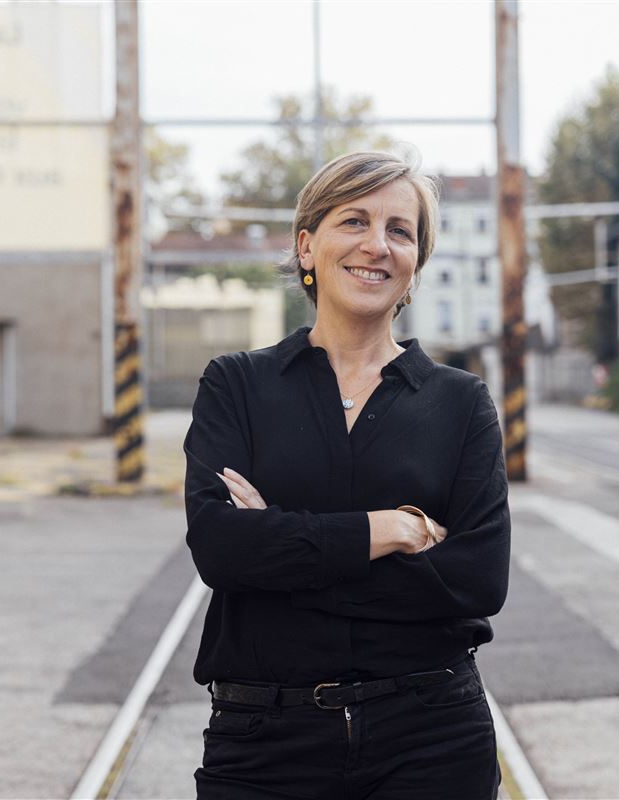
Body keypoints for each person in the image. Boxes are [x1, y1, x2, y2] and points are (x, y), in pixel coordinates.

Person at [183, 150, 511, 799]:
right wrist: (387, 531)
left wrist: (279, 548)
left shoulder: (460, 403)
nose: (377, 245)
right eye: (354, 221)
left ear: (416, 262)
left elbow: (476, 581)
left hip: (432, 736)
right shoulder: (237, 386)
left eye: (400, 230)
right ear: (307, 246)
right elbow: (221, 550)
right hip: (264, 742)